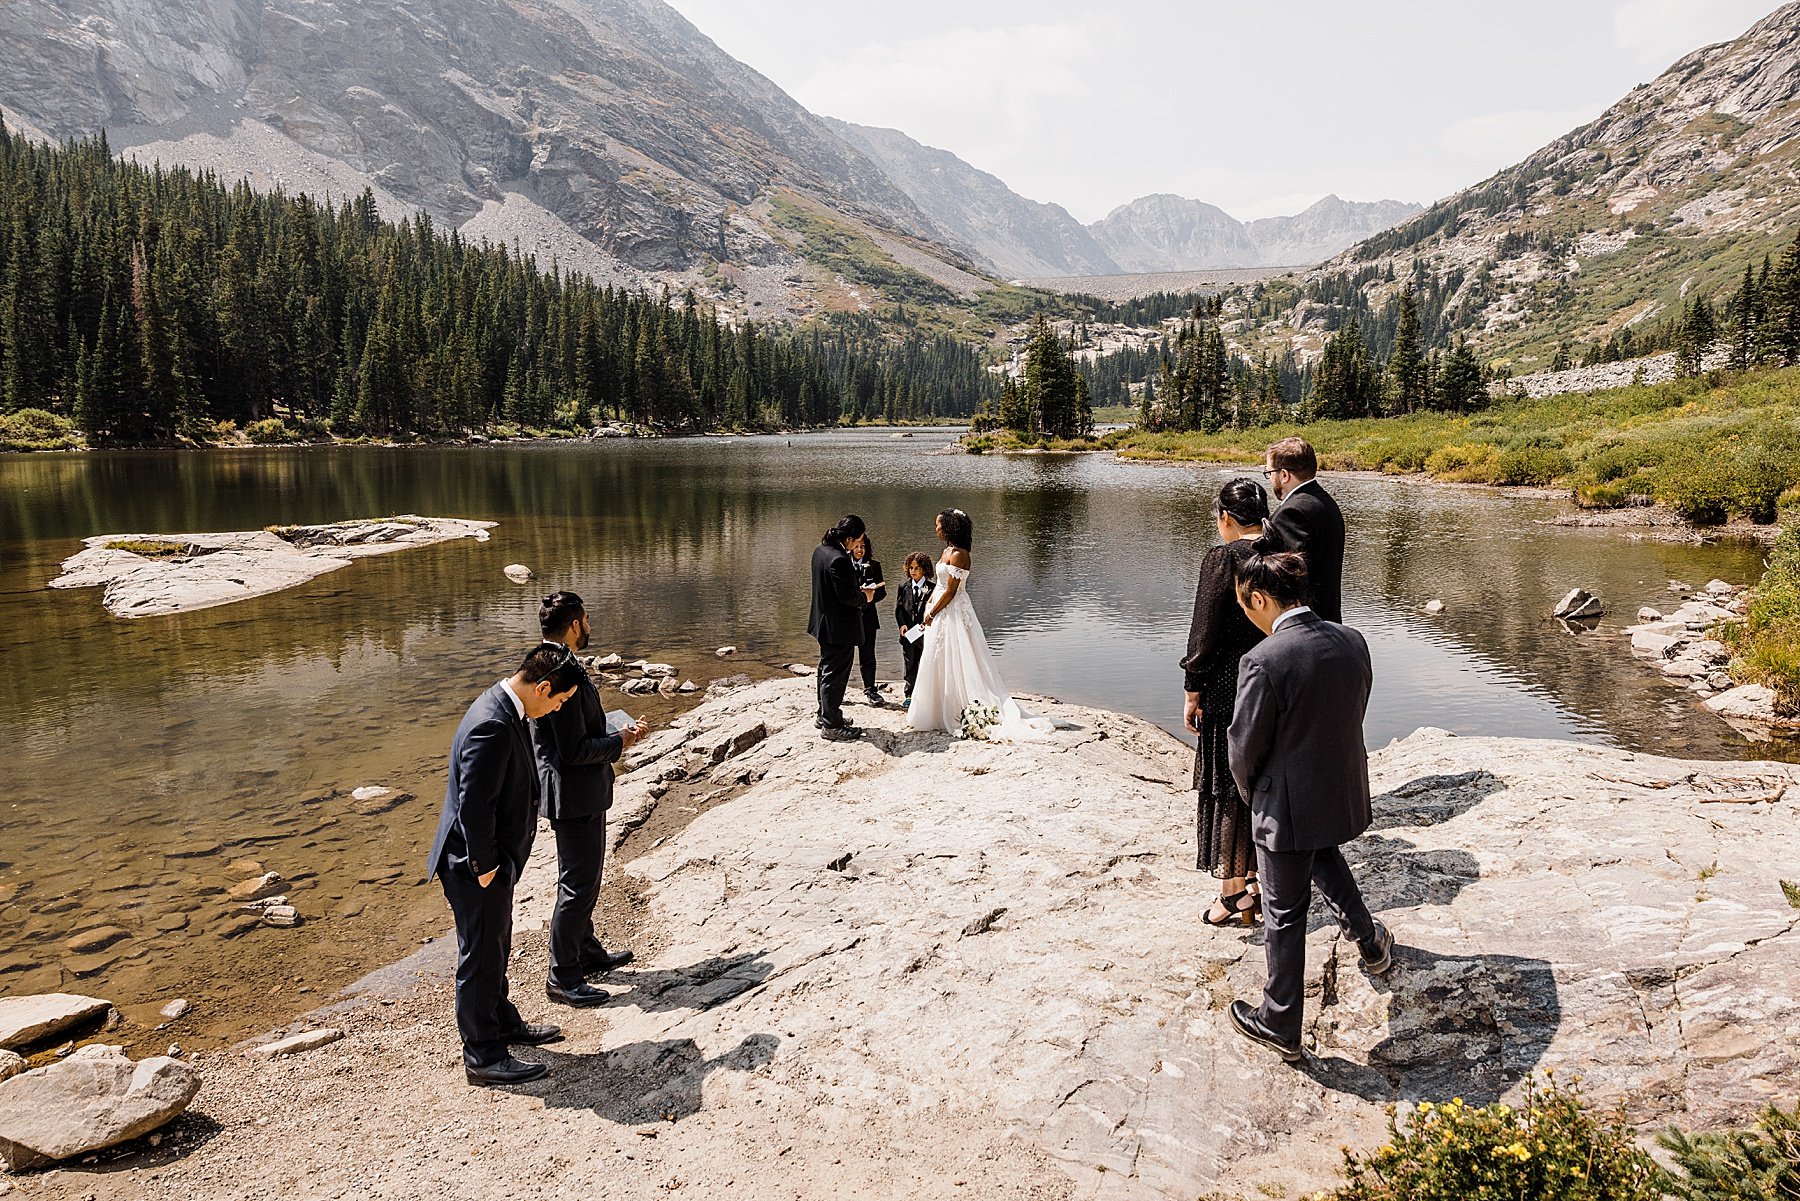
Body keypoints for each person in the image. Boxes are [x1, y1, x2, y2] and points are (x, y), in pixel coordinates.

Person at [1224, 551, 1392, 1063]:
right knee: (1322, 854)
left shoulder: (1263, 659)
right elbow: (1353, 709)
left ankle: (1280, 1021)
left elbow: (1243, 748)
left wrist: (1259, 800)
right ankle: (1370, 940)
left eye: (1245, 606)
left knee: (1283, 911)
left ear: (1260, 598)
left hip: (1288, 802)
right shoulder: (1351, 640)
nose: (1247, 616)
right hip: (1336, 790)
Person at [425, 645, 585, 1086]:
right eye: (558, 701)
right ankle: (483, 1054)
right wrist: (485, 866)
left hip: (489, 861)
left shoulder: (504, 706)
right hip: (474, 863)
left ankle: (503, 1023)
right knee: (480, 955)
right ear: (544, 686)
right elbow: (474, 805)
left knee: (495, 946)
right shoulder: (493, 723)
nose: (555, 709)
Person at [534, 592, 649, 1009]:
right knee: (577, 885)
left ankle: (586, 950)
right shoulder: (559, 669)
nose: (589, 626)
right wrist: (619, 740)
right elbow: (573, 749)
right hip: (573, 793)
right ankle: (563, 976)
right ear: (574, 623)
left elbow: (578, 730)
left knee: (584, 879)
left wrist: (616, 727)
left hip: (577, 792)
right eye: (586, 620)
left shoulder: (552, 661)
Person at [1180, 479, 1270, 928]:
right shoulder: (1277, 552)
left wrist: (1192, 688)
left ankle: (1233, 894)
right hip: (1269, 684)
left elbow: (1204, 630)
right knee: (1258, 780)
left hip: (1225, 687)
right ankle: (1255, 880)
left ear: (1227, 519)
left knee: (1225, 782)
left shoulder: (1224, 558)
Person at [907, 508, 1053, 740]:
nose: (936, 528)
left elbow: (952, 592)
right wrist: (930, 605)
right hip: (939, 608)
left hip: (952, 611)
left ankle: (958, 706)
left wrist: (932, 612)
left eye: (938, 525)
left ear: (949, 527)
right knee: (935, 655)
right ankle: (933, 709)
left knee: (958, 655)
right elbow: (941, 586)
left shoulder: (959, 555)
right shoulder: (947, 550)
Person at [1257, 437, 1347, 624]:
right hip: (1328, 621)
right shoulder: (1325, 502)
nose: (1270, 478)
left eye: (1270, 472)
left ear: (1284, 475)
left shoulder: (1291, 513)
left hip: (1305, 627)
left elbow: (1289, 579)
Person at [808, 514, 874, 741]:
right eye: (859, 539)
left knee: (826, 669)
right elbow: (847, 598)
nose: (859, 544)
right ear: (850, 537)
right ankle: (832, 726)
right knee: (835, 674)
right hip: (838, 628)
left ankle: (825, 715)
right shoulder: (839, 559)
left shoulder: (820, 550)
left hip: (824, 623)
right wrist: (865, 597)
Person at [850, 533, 889, 707]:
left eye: (863, 546)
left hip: (868, 616)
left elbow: (882, 591)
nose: (859, 550)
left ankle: (870, 689)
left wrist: (870, 595)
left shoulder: (875, 566)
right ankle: (839, 689)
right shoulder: (843, 564)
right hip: (847, 617)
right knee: (844, 655)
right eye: (857, 546)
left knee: (868, 654)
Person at [894, 551, 936, 707]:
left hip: (925, 633)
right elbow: (899, 609)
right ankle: (909, 694)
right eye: (910, 567)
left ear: (924, 569)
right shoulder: (903, 587)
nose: (913, 571)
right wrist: (902, 624)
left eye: (917, 567)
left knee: (926, 663)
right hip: (908, 634)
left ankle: (926, 693)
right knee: (910, 663)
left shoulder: (932, 587)